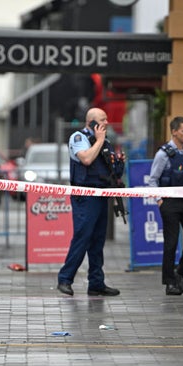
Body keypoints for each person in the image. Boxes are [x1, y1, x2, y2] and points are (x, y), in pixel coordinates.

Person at [57, 107, 125, 297]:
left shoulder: (104, 141)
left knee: (97, 240)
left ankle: (96, 282)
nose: (107, 122)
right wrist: (100, 141)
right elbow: (86, 159)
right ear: (92, 122)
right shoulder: (79, 138)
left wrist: (119, 162)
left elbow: (111, 171)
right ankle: (65, 278)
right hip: (85, 196)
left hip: (101, 194)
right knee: (83, 236)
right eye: (103, 119)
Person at [148, 116, 183, 296]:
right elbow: (153, 180)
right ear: (174, 132)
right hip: (170, 202)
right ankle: (169, 282)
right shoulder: (163, 154)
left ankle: (180, 271)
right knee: (171, 244)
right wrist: (159, 200)